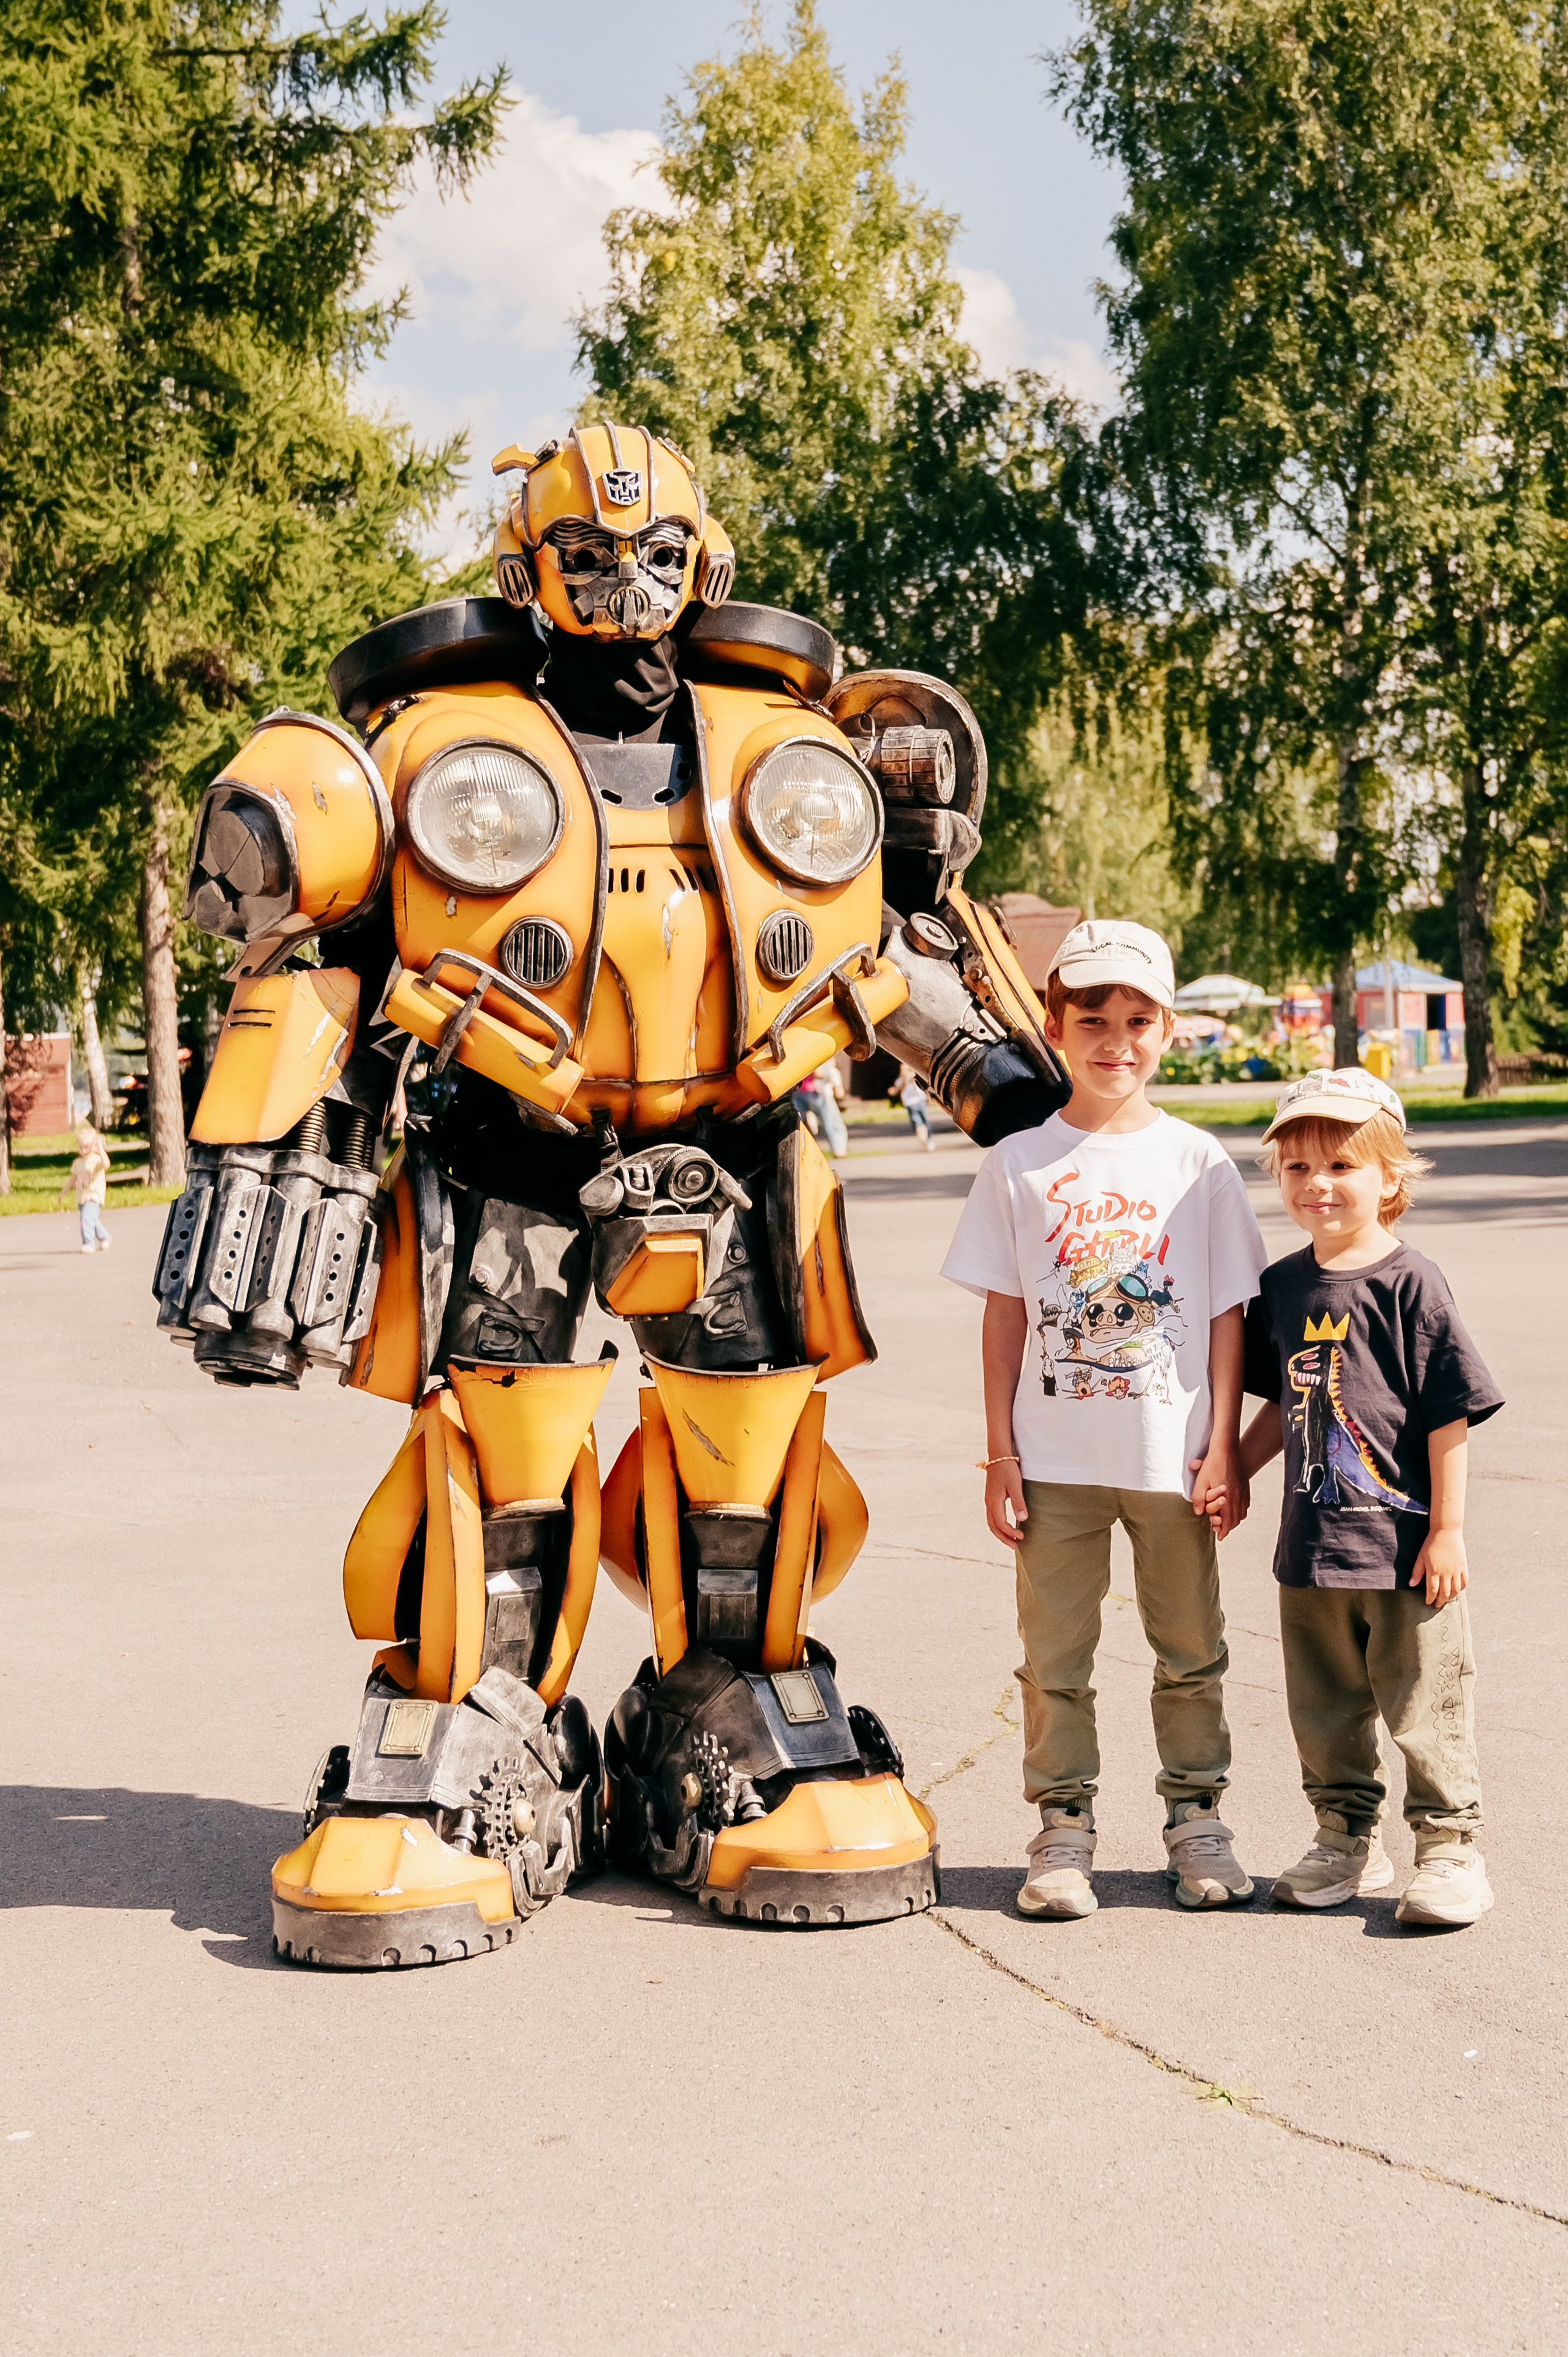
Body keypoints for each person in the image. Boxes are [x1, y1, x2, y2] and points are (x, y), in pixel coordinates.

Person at [941, 919, 1267, 1918]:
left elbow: (1225, 1316)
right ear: (1054, 1022)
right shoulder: (1017, 1164)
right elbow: (1004, 1316)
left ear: (1166, 1029)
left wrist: (1224, 1448)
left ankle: (1197, 1818)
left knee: (1191, 1650)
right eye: (1093, 1018)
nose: (1114, 1039)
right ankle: (1064, 1828)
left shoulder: (1198, 1162)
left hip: (1171, 1459)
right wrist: (1000, 1449)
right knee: (1055, 1657)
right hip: (1054, 1461)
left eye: (1136, 1019)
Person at [1238, 1069, 1502, 1926]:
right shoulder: (1281, 1289)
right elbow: (1284, 1401)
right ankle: (1346, 1839)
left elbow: (1448, 1413)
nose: (1318, 1184)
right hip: (1310, 1550)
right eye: (1298, 1167)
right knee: (1324, 1710)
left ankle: (1450, 1847)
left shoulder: (1411, 1283)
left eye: (1342, 1164)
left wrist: (1450, 1532)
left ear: (1391, 1177)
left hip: (1404, 1549)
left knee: (1426, 1703)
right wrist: (1233, 1470)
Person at [57, 1122, 112, 1253]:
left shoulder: (97, 1159)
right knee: (92, 1220)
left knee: (86, 1219)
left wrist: (101, 1149)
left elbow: (106, 1164)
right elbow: (73, 1179)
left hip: (94, 1195)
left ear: (94, 1146)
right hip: (82, 1197)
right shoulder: (78, 1163)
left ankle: (89, 1243)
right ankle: (105, 1237)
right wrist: (63, 1193)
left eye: (87, 1148)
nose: (83, 1151)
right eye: (81, 1148)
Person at [894, 1063, 935, 1151]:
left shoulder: (912, 1077)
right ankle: (925, 1139)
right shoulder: (902, 1080)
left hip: (918, 1102)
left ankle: (927, 1139)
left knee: (922, 1122)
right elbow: (897, 1089)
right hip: (912, 1103)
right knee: (920, 1122)